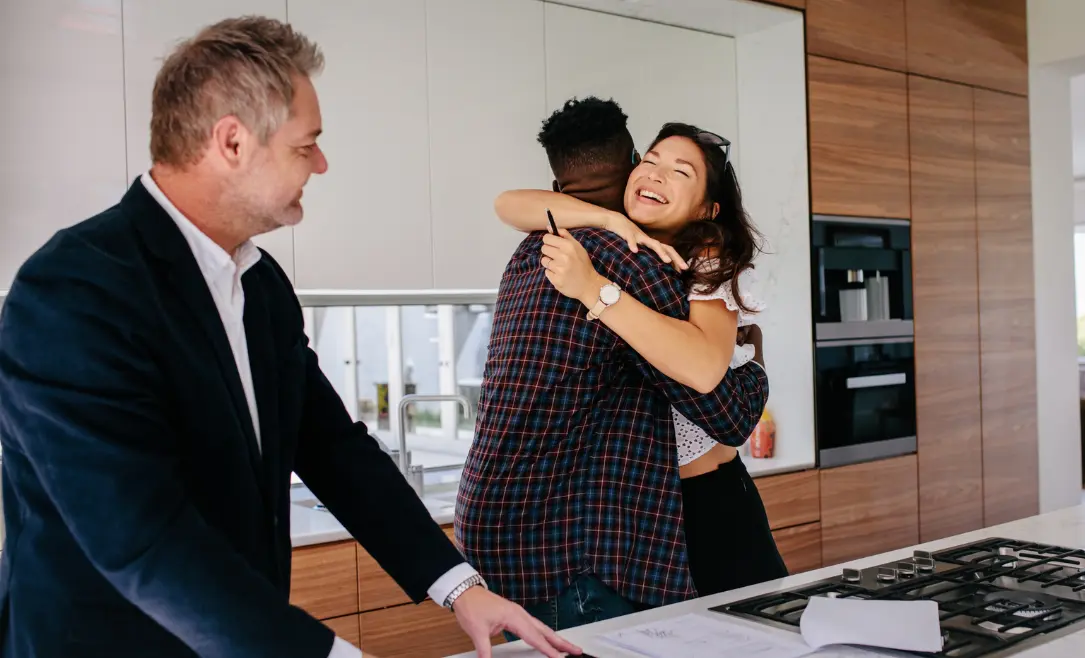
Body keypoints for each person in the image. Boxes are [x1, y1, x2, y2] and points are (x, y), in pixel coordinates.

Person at [0, 17, 576, 658]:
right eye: (307, 146)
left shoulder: (261, 284)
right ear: (232, 142)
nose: (323, 164)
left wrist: (461, 587)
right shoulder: (75, 288)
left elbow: (332, 448)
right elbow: (138, 536)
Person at [455, 97, 770, 632]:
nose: (656, 174)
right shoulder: (633, 263)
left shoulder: (537, 248)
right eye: (650, 160)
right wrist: (754, 368)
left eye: (680, 171)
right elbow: (730, 411)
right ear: (629, 166)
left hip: (497, 534)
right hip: (573, 553)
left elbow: (509, 203)